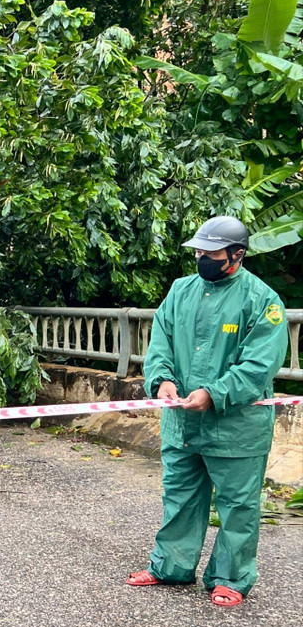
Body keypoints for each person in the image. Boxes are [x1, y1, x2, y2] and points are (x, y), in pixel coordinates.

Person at [126, 216, 288, 607]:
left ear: (236, 255)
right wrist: (161, 380)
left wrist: (214, 393)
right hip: (182, 423)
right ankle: (171, 567)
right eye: (198, 252)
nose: (201, 259)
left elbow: (259, 365)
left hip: (236, 428)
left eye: (210, 253)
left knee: (237, 506)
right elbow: (160, 339)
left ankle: (230, 577)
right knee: (180, 497)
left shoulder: (262, 300)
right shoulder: (181, 291)